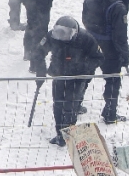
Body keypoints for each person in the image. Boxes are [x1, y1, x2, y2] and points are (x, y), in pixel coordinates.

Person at [39, 17, 103, 146]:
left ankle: (68, 134)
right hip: (59, 74)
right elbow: (39, 51)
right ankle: (60, 134)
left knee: (70, 106)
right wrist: (39, 68)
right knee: (58, 104)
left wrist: (82, 67)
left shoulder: (86, 39)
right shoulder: (52, 36)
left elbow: (98, 58)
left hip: (77, 78)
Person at [81, 0, 129, 124]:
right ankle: (110, 113)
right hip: (109, 48)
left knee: (84, 76)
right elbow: (119, 36)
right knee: (113, 80)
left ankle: (74, 104)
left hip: (90, 44)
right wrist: (125, 54)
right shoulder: (118, 6)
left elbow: (85, 20)